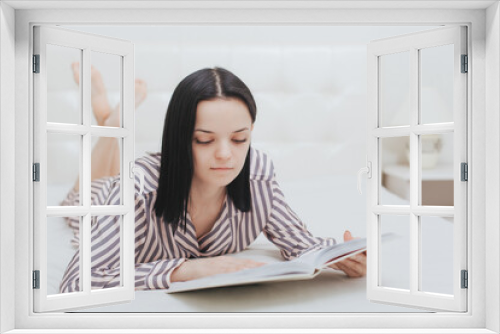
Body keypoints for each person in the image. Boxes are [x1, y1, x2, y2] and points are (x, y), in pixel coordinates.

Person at [59, 66, 367, 293]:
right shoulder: (137, 191)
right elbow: (76, 281)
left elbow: (301, 244)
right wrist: (185, 270)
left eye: (239, 139)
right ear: (179, 139)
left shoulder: (257, 177)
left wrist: (340, 256)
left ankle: (109, 122)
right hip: (102, 200)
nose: (225, 155)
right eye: (204, 140)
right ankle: (112, 123)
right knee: (91, 186)